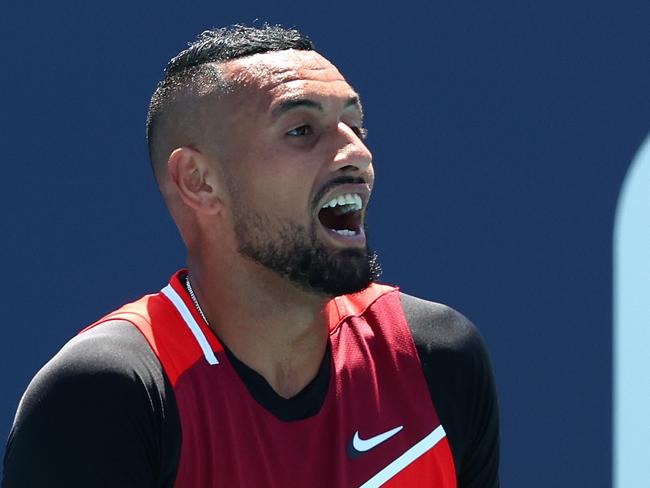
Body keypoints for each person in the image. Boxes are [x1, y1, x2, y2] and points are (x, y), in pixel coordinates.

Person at [2, 25, 499, 487]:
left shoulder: (436, 359)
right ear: (199, 181)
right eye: (302, 130)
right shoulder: (106, 398)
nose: (356, 155)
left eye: (355, 125)